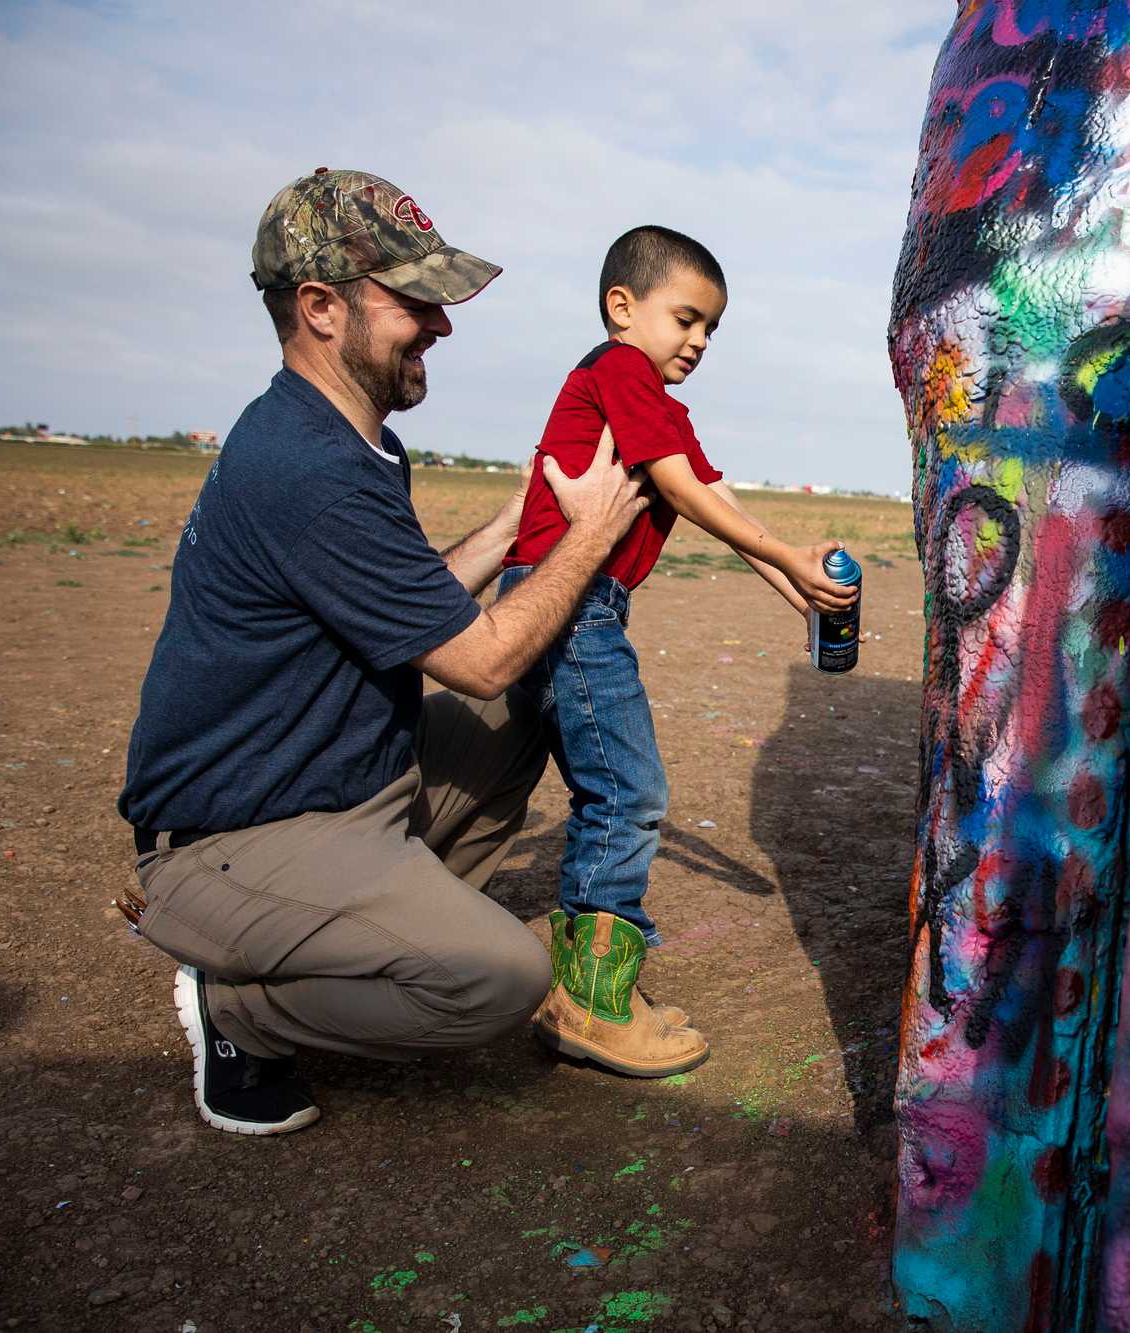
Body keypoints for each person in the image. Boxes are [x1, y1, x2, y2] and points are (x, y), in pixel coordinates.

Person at [117, 168, 658, 1136]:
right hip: (240, 836)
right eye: (416, 303)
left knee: (518, 713)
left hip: (335, 790)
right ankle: (237, 1007)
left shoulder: (351, 444)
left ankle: (374, 932)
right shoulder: (307, 467)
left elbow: (407, 608)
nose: (441, 326)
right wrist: (589, 535)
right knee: (501, 978)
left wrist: (516, 522)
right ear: (320, 309)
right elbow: (480, 655)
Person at [501, 225, 858, 1077]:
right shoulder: (619, 370)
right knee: (628, 792)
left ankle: (582, 979)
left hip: (573, 607)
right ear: (622, 308)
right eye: (687, 319)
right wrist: (781, 559)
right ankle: (591, 1002)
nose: (699, 342)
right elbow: (677, 486)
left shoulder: (649, 397)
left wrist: (796, 582)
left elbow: (711, 492)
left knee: (607, 789)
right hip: (570, 606)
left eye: (711, 330)